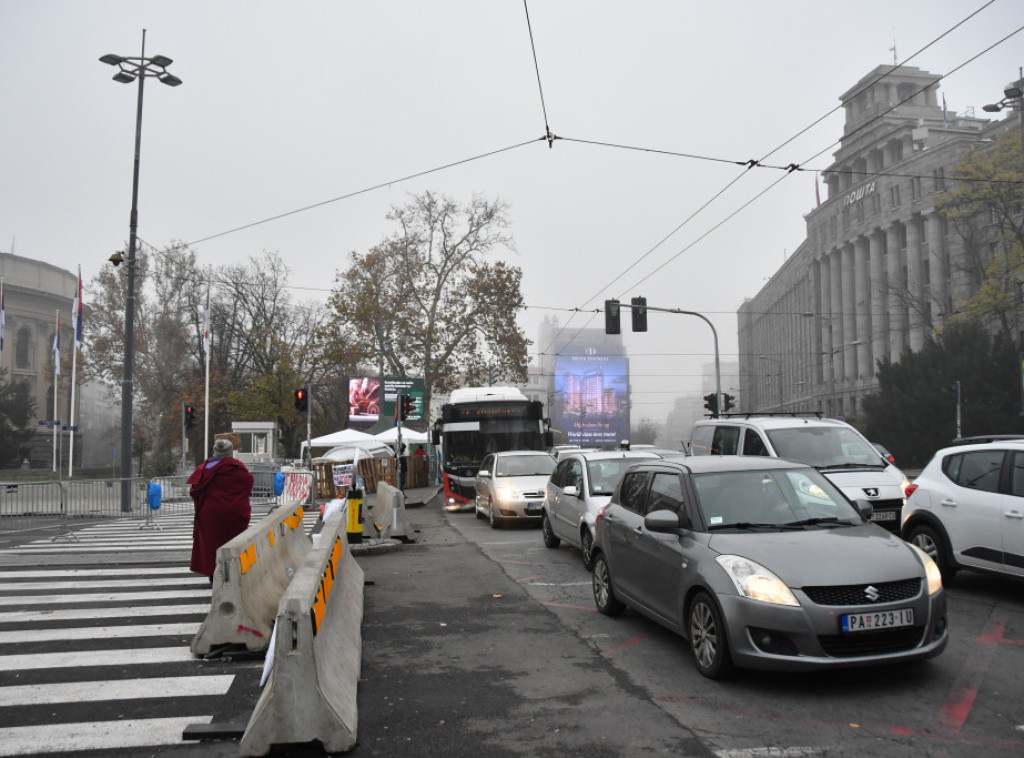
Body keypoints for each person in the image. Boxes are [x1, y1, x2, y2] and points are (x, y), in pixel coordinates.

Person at [188, 438, 253, 583]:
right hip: (235, 513)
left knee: (212, 545)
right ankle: (235, 572)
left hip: (210, 514)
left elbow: (194, 490)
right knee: (234, 543)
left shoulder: (204, 468)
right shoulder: (238, 467)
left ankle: (213, 575)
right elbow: (248, 484)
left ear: (214, 452)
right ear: (230, 452)